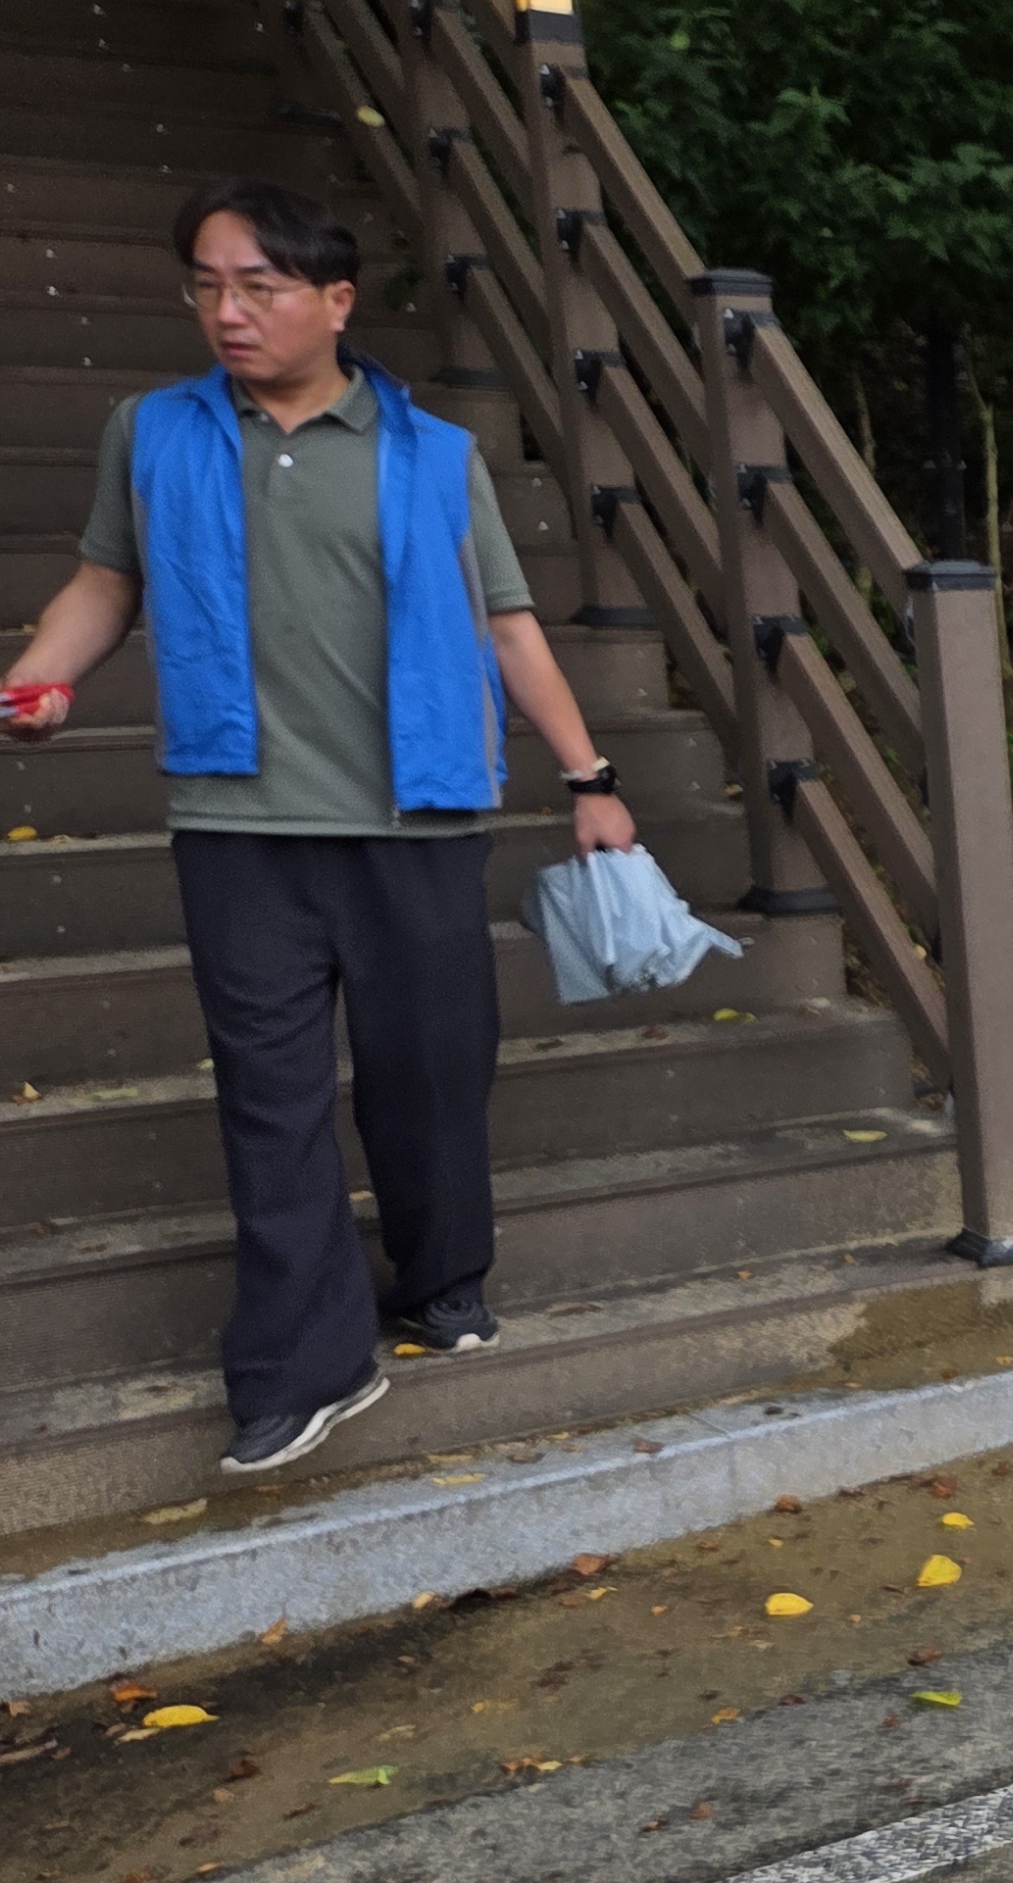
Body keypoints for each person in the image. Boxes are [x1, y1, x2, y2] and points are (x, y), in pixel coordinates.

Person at [1, 179, 637, 1475]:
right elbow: (106, 580)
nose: (224, 312)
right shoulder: (156, 432)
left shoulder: (434, 455)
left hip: (416, 819)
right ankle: (303, 1362)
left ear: (333, 301)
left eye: (257, 287)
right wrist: (43, 675)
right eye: (205, 285)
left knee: (428, 1071)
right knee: (270, 1098)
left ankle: (442, 1270)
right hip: (239, 821)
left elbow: (508, 628)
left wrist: (591, 777)